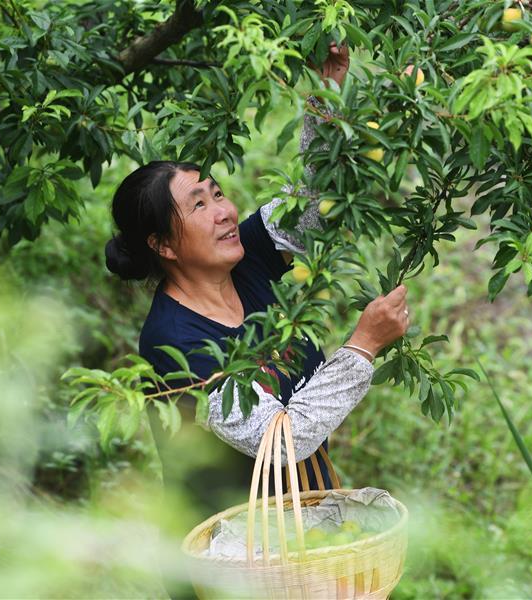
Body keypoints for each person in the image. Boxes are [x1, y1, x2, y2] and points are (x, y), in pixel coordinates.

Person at [103, 41, 410, 566]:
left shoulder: (245, 259)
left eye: (218, 193)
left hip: (307, 537)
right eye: (199, 205)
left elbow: (314, 203)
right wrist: (362, 347)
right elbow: (281, 442)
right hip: (237, 561)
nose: (223, 211)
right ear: (164, 245)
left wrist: (327, 98)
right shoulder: (174, 341)